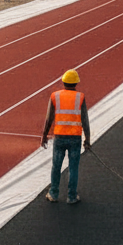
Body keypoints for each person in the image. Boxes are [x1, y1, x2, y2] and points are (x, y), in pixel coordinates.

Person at [41, 69, 92, 204]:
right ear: (76, 83)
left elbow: (48, 118)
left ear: (63, 82)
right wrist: (88, 139)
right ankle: (71, 196)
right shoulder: (80, 97)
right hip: (75, 137)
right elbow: (85, 120)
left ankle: (53, 193)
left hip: (59, 136)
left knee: (56, 166)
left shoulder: (55, 96)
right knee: (73, 167)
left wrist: (44, 135)